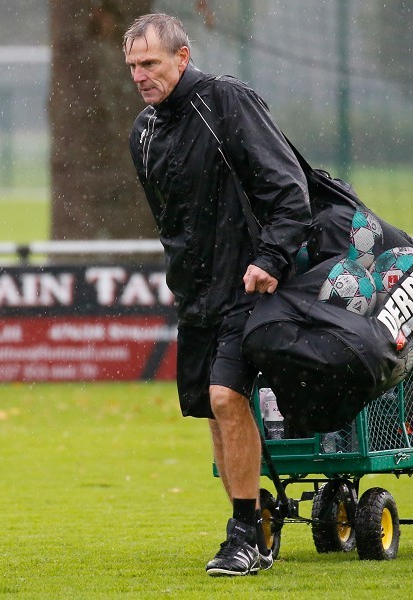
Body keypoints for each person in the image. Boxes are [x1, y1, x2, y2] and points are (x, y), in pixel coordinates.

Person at [123, 14, 311, 576]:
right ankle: (252, 515)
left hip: (250, 284)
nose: (140, 75)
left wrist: (269, 258)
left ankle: (244, 536)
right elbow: (171, 221)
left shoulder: (227, 101)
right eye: (133, 66)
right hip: (195, 294)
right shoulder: (142, 132)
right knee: (211, 405)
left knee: (228, 397)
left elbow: (289, 190)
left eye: (150, 63)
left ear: (182, 58)